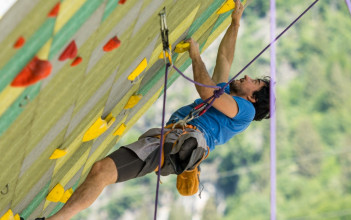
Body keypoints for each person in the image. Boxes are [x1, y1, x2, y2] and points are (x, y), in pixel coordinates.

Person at [45, 1, 269, 219]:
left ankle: (188, 150)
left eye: (255, 81)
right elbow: (224, 59)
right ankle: (187, 153)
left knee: (102, 171)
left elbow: (206, 92)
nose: (248, 76)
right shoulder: (228, 97)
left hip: (180, 139)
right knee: (101, 171)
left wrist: (195, 55)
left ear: (252, 97)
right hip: (171, 138)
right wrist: (235, 23)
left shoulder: (245, 112)